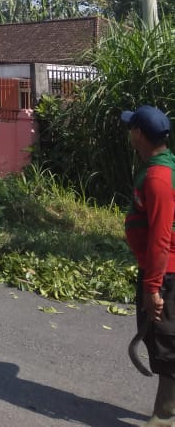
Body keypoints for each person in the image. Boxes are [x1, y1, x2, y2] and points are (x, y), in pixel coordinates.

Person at [122, 104, 175, 427]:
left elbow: (160, 239)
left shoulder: (158, 177)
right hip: (161, 270)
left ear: (139, 134)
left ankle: (165, 416)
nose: (129, 132)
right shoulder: (160, 168)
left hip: (166, 273)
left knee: (166, 341)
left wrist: (153, 287)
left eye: (131, 128)